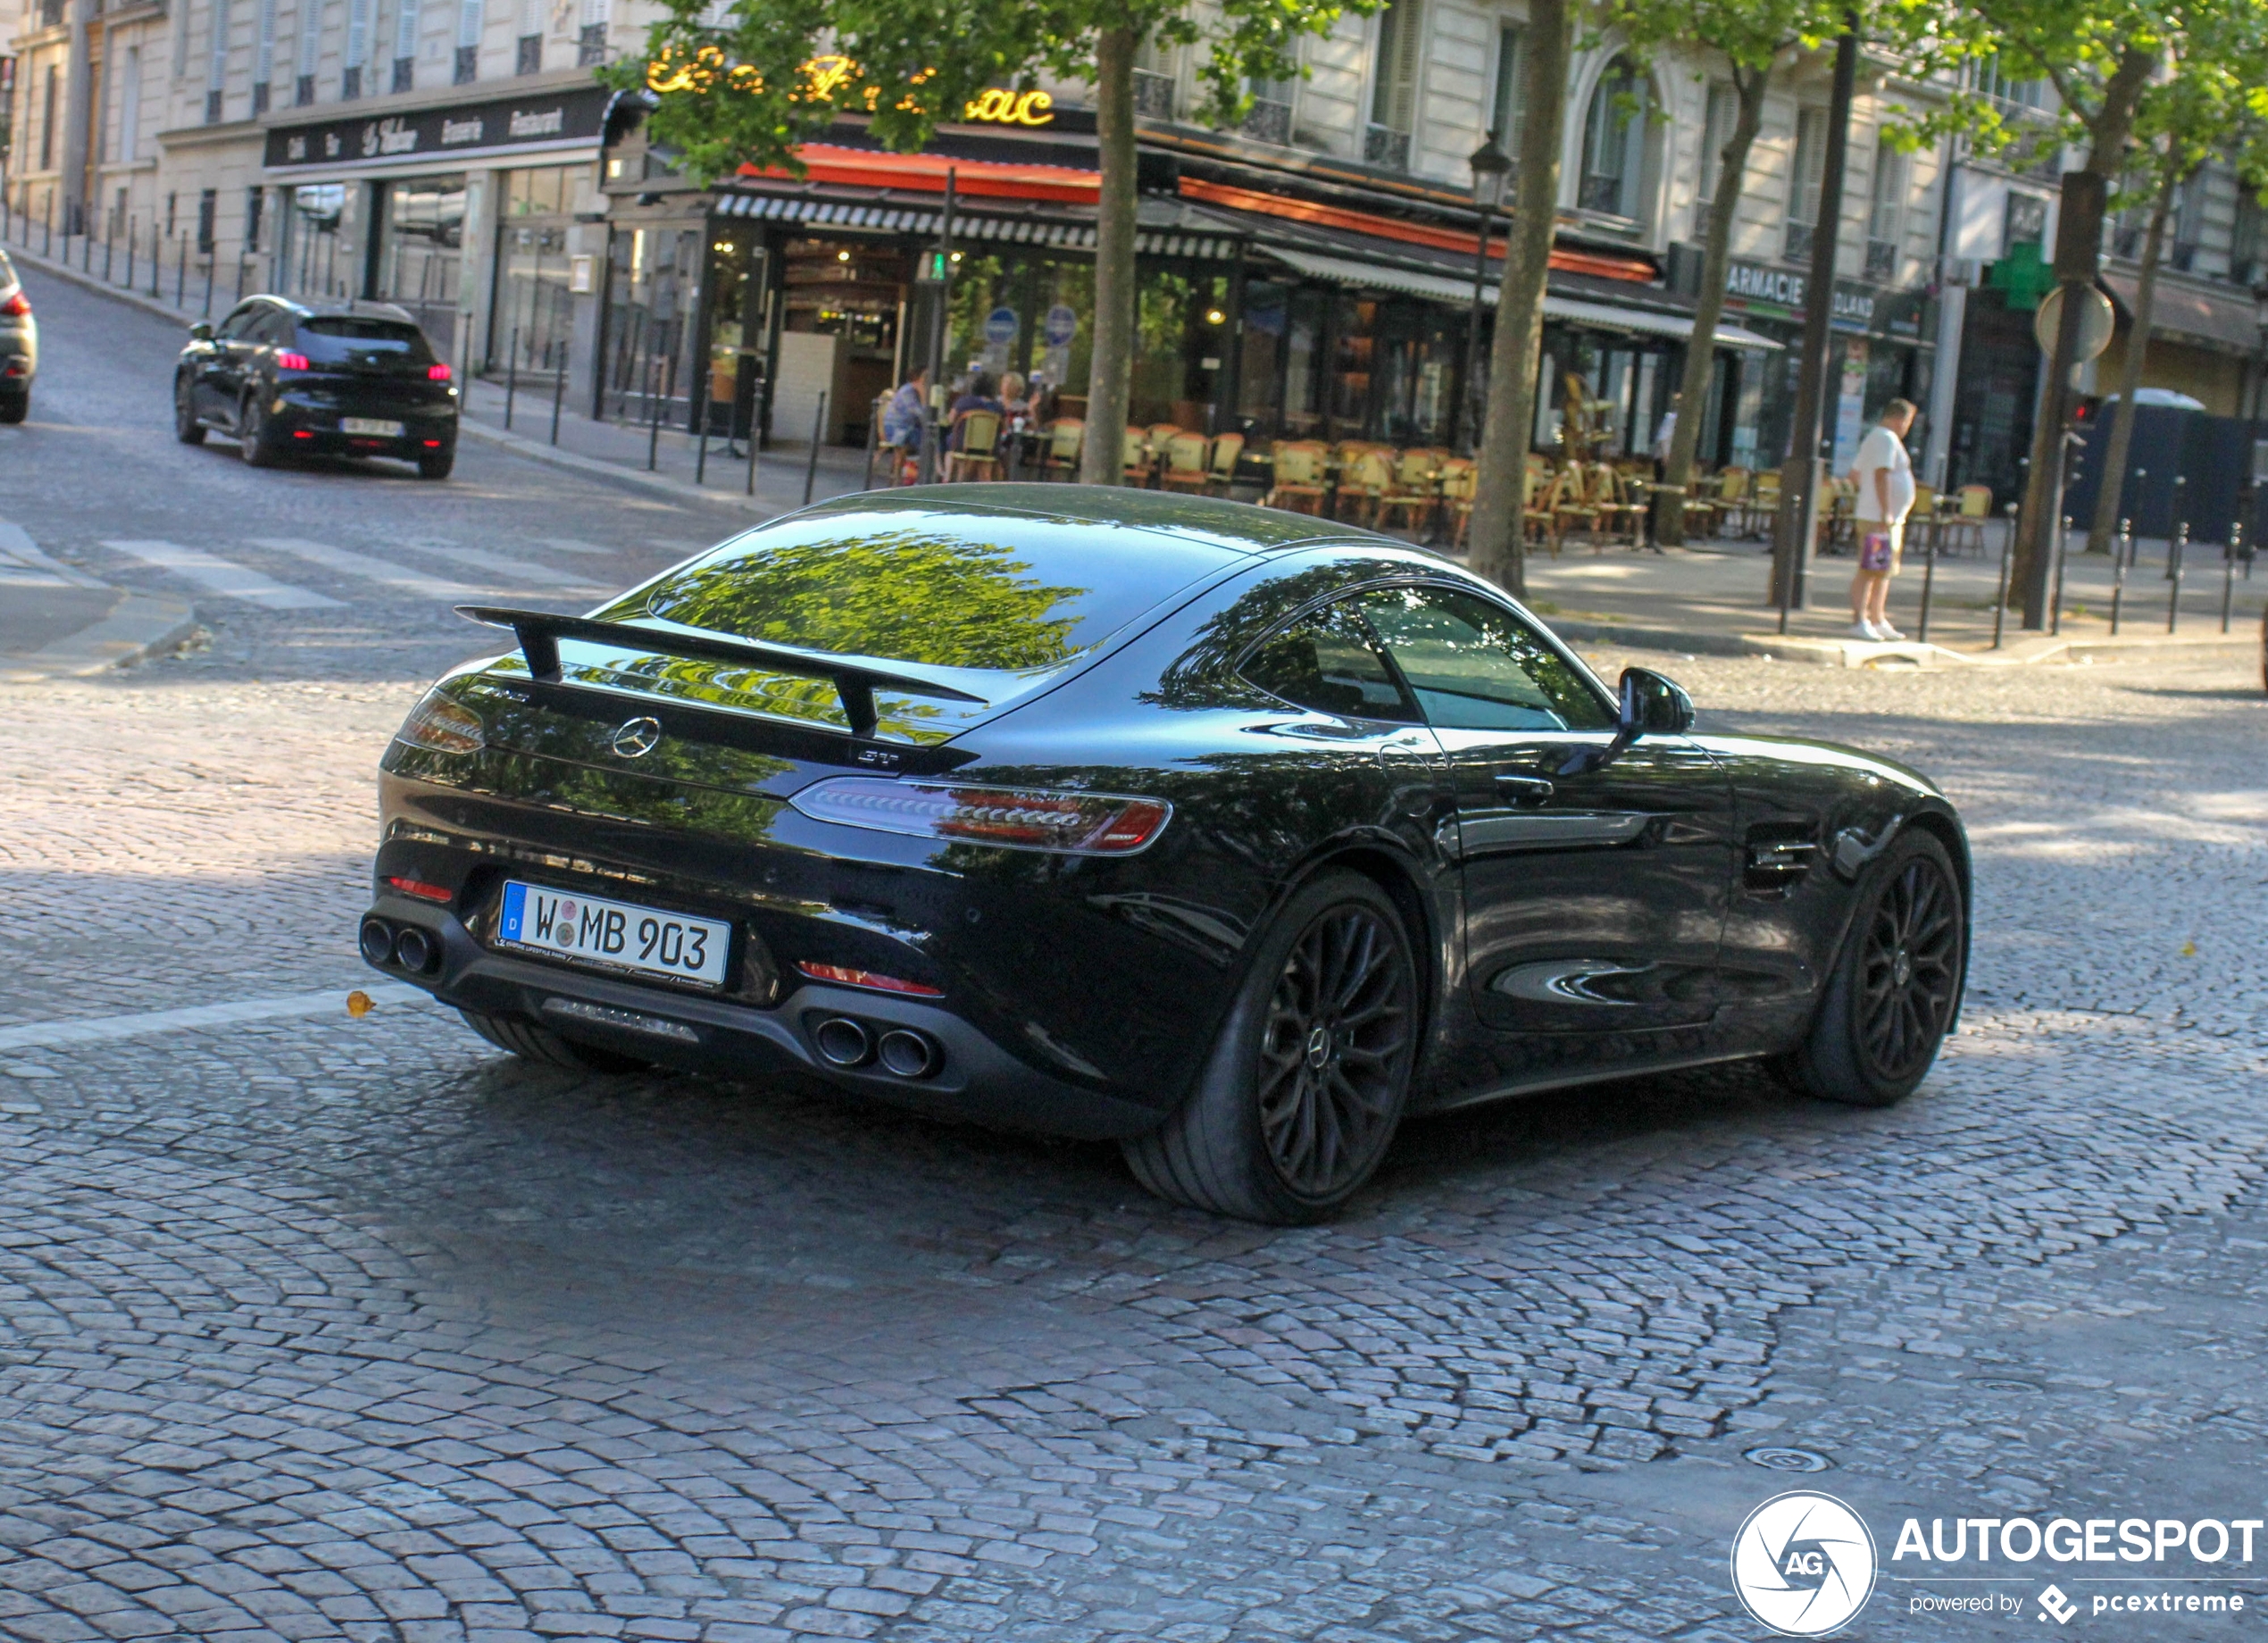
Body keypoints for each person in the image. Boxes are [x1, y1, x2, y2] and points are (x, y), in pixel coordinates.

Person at [1847, 397, 1918, 641]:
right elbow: (1881, 475)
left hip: (1887, 517)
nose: (1907, 427)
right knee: (1870, 568)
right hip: (1878, 517)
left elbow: (1855, 474)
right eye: (1908, 421)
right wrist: (1885, 510)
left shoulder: (1877, 439)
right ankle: (1860, 619)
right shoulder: (1885, 439)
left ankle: (1877, 617)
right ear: (1899, 419)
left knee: (1882, 570)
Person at [881, 367, 928, 458]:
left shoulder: (915, 391)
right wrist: (923, 396)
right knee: (925, 438)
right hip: (896, 428)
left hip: (907, 427)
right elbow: (918, 413)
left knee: (929, 437)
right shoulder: (907, 391)